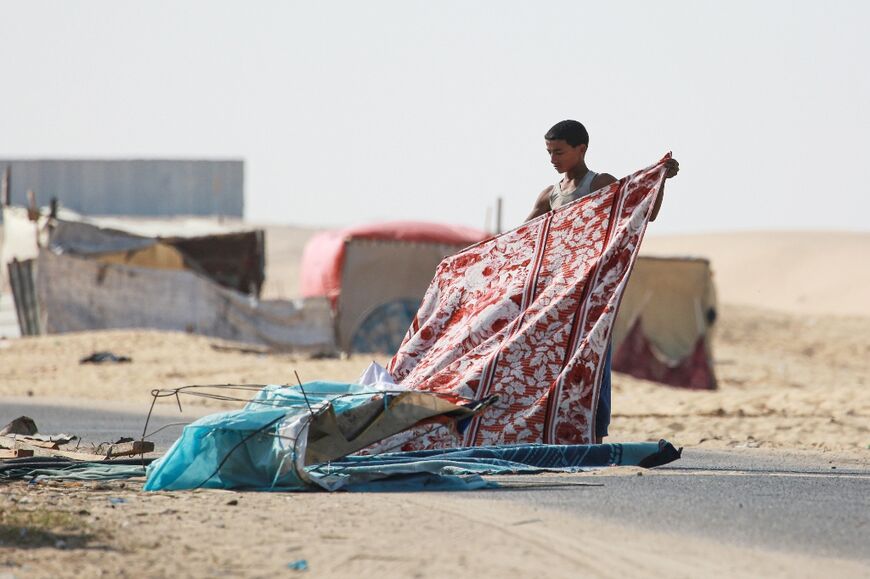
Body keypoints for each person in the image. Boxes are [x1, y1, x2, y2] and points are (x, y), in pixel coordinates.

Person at [525, 120, 679, 443]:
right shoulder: (550, 196)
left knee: (594, 361)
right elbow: (521, 237)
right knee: (556, 362)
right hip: (559, 293)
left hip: (594, 292)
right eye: (549, 152)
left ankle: (596, 432)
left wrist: (660, 179)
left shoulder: (599, 185)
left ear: (581, 150)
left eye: (559, 152)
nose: (553, 159)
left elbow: (644, 210)